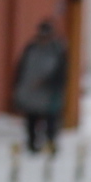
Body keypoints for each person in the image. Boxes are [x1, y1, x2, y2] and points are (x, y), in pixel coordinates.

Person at [11, 19, 68, 153]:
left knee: (51, 120)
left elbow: (62, 73)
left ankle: (50, 143)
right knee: (31, 119)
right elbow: (21, 68)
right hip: (31, 92)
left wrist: (49, 83)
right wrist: (18, 86)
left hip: (49, 94)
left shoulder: (57, 50)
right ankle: (32, 144)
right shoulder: (31, 48)